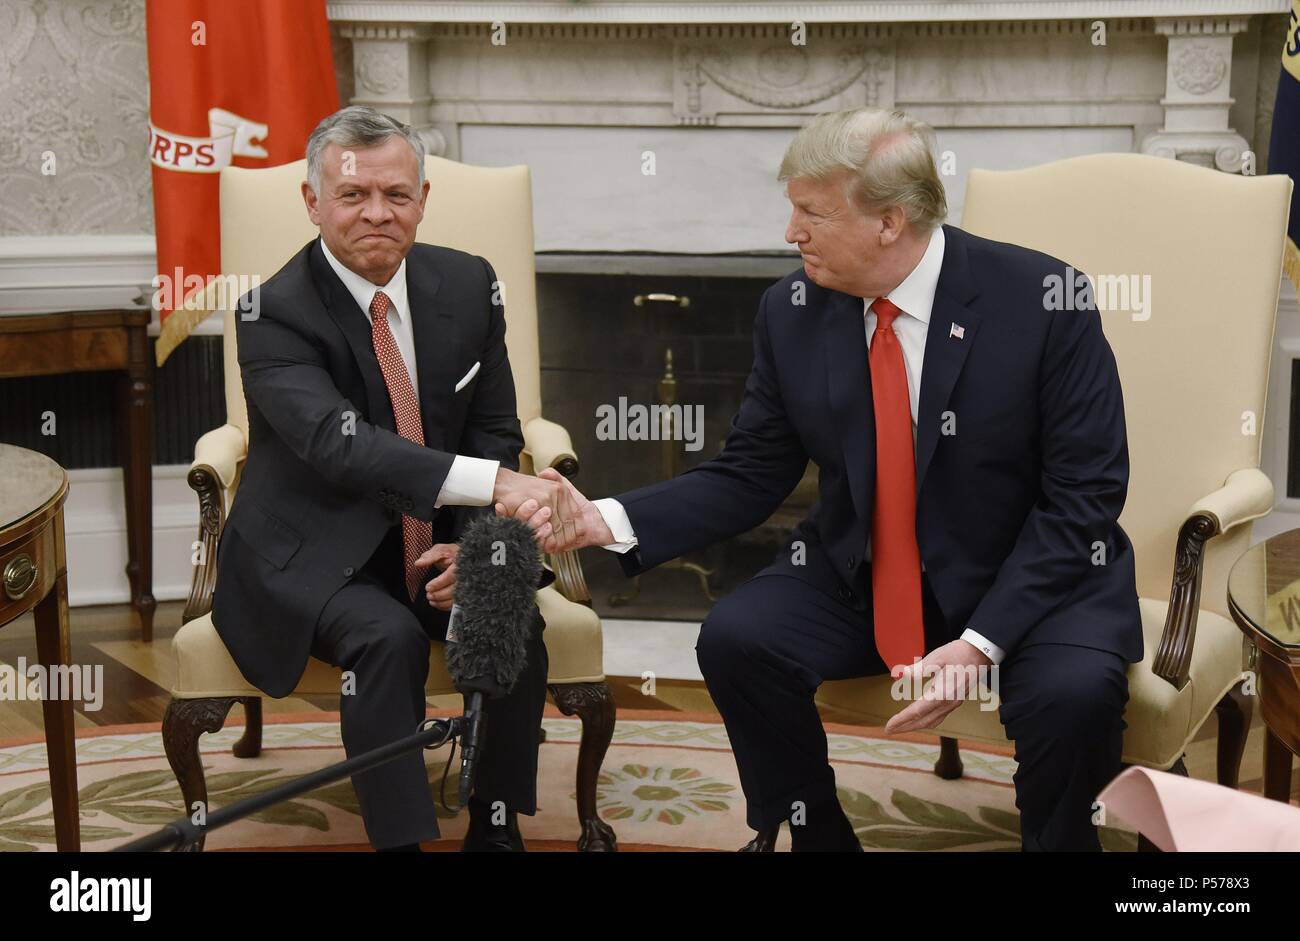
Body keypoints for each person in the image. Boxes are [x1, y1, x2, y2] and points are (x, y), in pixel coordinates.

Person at [516, 107, 1144, 852]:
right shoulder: (793, 310)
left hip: (1033, 581)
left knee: (1073, 698)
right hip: (865, 571)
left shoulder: (1043, 300)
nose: (791, 233)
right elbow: (751, 472)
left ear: (890, 220)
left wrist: (979, 644)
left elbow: (1085, 497)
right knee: (738, 638)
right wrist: (606, 520)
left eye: (811, 212)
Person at [212, 105, 563, 852]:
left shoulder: (469, 284)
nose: (378, 212)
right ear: (313, 202)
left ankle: (497, 825)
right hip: (316, 545)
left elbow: (495, 431)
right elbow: (344, 447)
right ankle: (404, 843)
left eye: (397, 195)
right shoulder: (269, 310)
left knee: (515, 613)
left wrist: (472, 548)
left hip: (440, 534)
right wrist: (494, 486)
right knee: (387, 637)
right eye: (353, 195)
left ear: (423, 199)